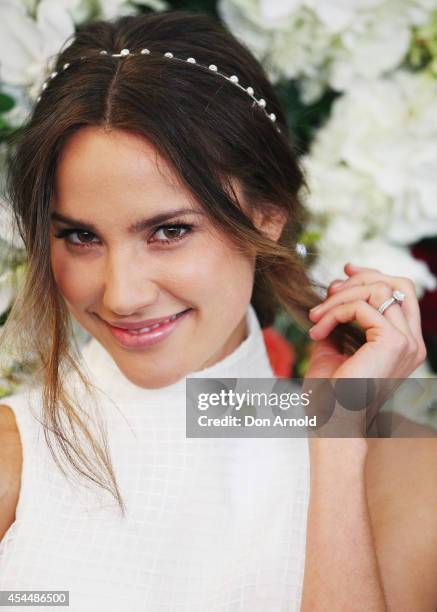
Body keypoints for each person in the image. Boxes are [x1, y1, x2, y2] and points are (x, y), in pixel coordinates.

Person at [0, 9, 436, 612]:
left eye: (169, 231)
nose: (121, 295)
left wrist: (335, 436)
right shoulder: (11, 458)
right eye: (80, 237)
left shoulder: (410, 478)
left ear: (267, 218)